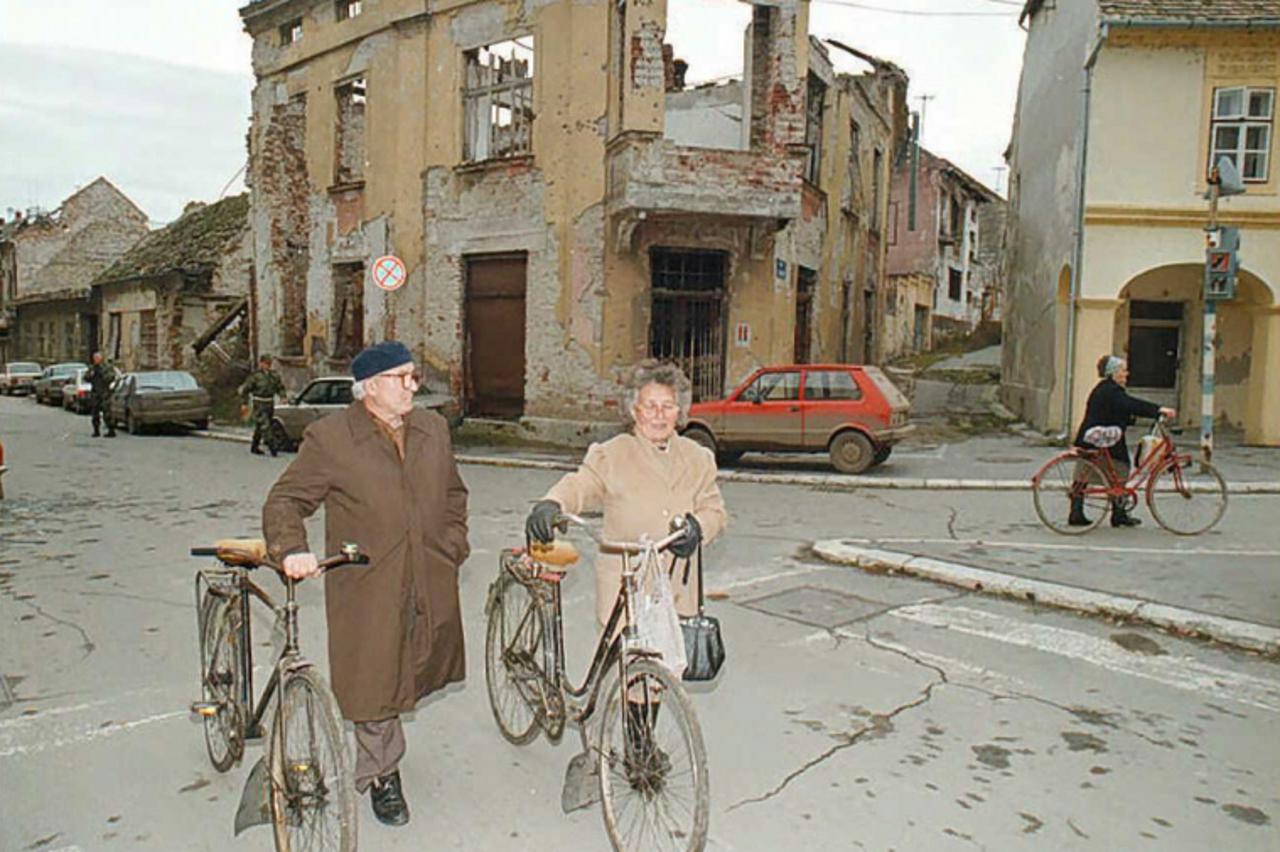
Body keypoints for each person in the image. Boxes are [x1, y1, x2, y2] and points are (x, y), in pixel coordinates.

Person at [262, 340, 469, 828]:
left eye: (414, 376)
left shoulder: (432, 429)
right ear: (371, 387)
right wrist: (291, 549)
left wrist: (453, 544)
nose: (413, 386)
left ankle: (383, 756)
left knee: (416, 662)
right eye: (404, 377)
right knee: (375, 679)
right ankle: (382, 772)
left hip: (428, 572)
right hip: (368, 582)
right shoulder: (332, 438)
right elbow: (285, 500)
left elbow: (455, 494)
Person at [525, 360, 728, 628]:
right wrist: (551, 503)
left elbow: (715, 510)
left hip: (678, 592)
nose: (659, 415)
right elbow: (581, 484)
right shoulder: (611, 454)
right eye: (650, 406)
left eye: (667, 406)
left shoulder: (698, 458)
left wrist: (698, 528)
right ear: (634, 411)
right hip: (624, 588)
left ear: (679, 412)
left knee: (673, 668)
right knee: (627, 667)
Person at [1071, 354, 1176, 527]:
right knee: (1121, 467)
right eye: (1123, 370)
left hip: (1091, 438)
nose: (1126, 374)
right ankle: (1118, 513)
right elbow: (1130, 404)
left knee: (1084, 473)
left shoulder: (1104, 389)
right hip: (1103, 439)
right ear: (1113, 373)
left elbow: (1117, 410)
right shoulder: (1112, 391)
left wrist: (1133, 419)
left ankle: (1077, 512)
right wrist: (1158, 410)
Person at [238, 354, 286, 456]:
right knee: (265, 426)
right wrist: (244, 404)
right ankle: (273, 447)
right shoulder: (256, 376)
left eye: (269, 364)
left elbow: (280, 387)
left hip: (269, 403)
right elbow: (245, 390)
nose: (268, 365)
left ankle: (254, 446)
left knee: (261, 425)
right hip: (259, 403)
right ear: (261, 363)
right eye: (266, 363)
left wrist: (283, 396)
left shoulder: (274, 375)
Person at [84, 351, 117, 438]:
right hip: (95, 393)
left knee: (107, 412)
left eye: (97, 358)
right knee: (95, 413)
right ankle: (96, 430)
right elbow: (86, 377)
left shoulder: (107, 367)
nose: (96, 360)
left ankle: (111, 430)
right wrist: (91, 375)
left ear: (101, 358)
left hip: (105, 393)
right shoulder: (92, 368)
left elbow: (111, 377)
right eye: (95, 358)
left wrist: (102, 373)